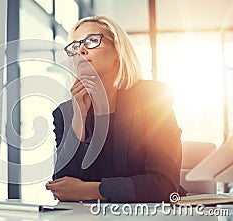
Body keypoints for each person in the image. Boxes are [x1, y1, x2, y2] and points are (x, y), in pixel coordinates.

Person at [45, 16, 182, 203]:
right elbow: (63, 186)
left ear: (118, 49)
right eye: (75, 46)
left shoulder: (152, 97)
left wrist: (90, 190)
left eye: (92, 40)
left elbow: (164, 184)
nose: (82, 50)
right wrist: (79, 118)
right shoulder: (64, 113)